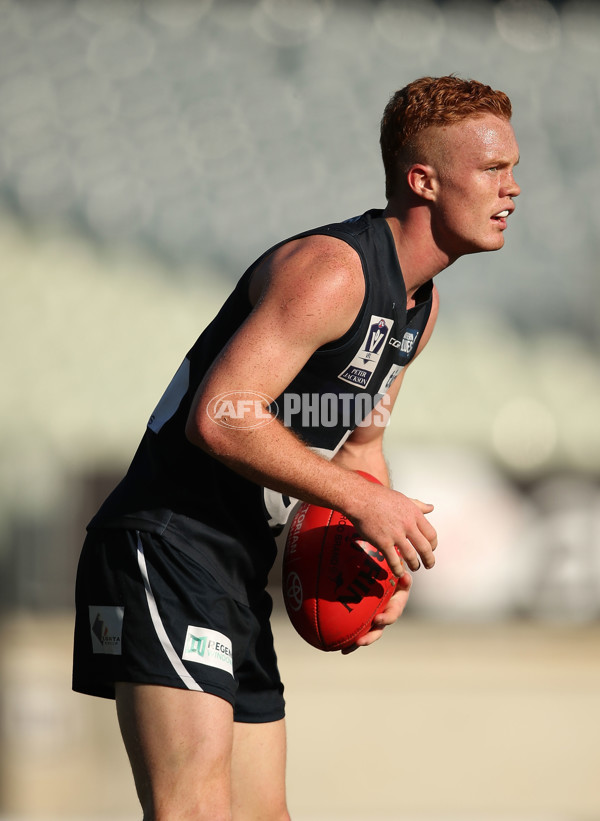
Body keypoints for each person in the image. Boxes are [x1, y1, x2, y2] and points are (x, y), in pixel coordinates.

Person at [72, 75, 520, 820]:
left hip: (234, 560)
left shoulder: (419, 307)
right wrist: (362, 500)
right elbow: (219, 416)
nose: (512, 189)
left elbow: (361, 448)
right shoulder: (334, 271)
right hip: (167, 541)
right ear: (423, 180)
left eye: (515, 169)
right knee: (193, 809)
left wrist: (385, 561)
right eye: (492, 169)